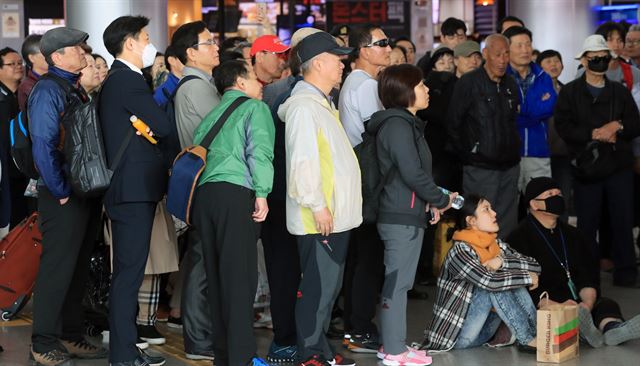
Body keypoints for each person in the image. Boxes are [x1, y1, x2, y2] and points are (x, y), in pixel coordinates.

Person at [278, 31, 360, 366]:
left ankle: (320, 350)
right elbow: (304, 163)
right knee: (316, 289)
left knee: (327, 289)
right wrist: (318, 205)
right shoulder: (303, 108)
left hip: (333, 214)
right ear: (319, 63)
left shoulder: (321, 103)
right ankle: (310, 354)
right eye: (338, 59)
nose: (343, 65)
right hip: (320, 217)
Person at [28, 27, 108, 366]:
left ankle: (70, 335)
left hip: (81, 192)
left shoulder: (74, 88)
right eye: (77, 47)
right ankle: (43, 340)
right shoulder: (48, 90)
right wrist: (61, 192)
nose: (84, 51)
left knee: (77, 269)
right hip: (62, 194)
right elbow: (43, 146)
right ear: (57, 56)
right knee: (57, 269)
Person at [369, 63, 455, 364]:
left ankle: (394, 344)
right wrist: (439, 198)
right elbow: (412, 173)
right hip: (398, 216)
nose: (427, 90)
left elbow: (415, 175)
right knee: (397, 282)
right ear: (405, 91)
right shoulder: (397, 126)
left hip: (407, 212)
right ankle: (394, 350)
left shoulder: (407, 124)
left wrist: (430, 201)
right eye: (421, 85)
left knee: (400, 281)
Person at [191, 59, 274, 366]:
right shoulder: (255, 109)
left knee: (216, 277)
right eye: (253, 77)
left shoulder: (210, 116)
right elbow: (260, 152)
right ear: (240, 82)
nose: (259, 84)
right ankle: (243, 357)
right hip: (236, 193)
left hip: (206, 197)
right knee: (240, 279)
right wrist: (262, 194)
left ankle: (224, 356)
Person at [100, 15, 172, 366]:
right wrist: (151, 126)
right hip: (131, 190)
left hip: (129, 189)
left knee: (127, 273)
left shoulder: (120, 80)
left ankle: (124, 353)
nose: (149, 44)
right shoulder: (127, 81)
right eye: (145, 38)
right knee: (128, 275)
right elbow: (163, 126)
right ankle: (124, 355)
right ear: (129, 43)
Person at [509, 177, 640, 348]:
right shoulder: (518, 238)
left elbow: (588, 274)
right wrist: (559, 306)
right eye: (550, 194)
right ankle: (583, 329)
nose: (557, 197)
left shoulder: (573, 234)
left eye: (559, 194)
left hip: (576, 302)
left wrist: (587, 303)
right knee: (548, 314)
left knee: (606, 304)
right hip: (545, 303)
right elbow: (521, 286)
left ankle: (611, 328)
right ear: (534, 204)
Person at [554, 34, 640, 288]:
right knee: (587, 225)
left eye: (603, 58)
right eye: (594, 58)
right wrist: (593, 133)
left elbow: (636, 123)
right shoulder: (570, 92)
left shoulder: (619, 92)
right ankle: (586, 277)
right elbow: (563, 126)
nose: (599, 62)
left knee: (623, 221)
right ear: (583, 60)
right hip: (586, 168)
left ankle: (626, 272)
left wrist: (618, 125)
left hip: (619, 167)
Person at [260, 26, 321, 364]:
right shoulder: (303, 95)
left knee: (283, 268)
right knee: (299, 268)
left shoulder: (272, 92)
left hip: (277, 190)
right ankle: (296, 338)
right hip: (296, 192)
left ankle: (288, 337)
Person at [420, 195, 541, 352]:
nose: (494, 213)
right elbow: (490, 281)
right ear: (472, 221)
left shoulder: (495, 245)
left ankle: (536, 332)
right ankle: (527, 339)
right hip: (456, 337)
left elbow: (535, 265)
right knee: (495, 283)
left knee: (508, 278)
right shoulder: (460, 251)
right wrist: (526, 277)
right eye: (486, 209)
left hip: (484, 331)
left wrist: (502, 261)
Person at [171, 20, 221, 361]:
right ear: (191, 52)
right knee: (203, 265)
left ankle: (201, 335)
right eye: (208, 42)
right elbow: (224, 134)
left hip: (205, 184)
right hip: (207, 184)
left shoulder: (202, 83)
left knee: (203, 262)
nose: (216, 46)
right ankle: (199, 339)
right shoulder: (197, 87)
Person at [338, 23, 390, 353]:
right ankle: (360, 327)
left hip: (357, 178)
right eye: (382, 43)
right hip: (368, 179)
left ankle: (352, 324)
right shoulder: (366, 85)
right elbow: (381, 134)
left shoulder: (355, 82)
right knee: (368, 258)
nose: (388, 47)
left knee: (359, 256)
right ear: (364, 50)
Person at [447, 34, 521, 236]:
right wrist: (469, 153)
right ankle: (478, 266)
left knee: (506, 224)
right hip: (479, 167)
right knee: (478, 222)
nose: (503, 59)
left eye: (506, 54)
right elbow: (453, 123)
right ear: (485, 54)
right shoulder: (469, 83)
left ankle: (502, 265)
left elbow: (514, 120)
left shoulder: (511, 84)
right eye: (498, 54)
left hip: (509, 166)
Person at [503, 26, 557, 192]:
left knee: (541, 203)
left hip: (538, 150)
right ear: (507, 49)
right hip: (508, 153)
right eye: (519, 45)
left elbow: (548, 108)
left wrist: (520, 109)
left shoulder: (543, 76)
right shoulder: (501, 77)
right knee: (508, 206)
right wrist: (533, 110)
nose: (525, 50)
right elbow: (504, 112)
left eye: (528, 44)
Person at [537, 50, 571, 220]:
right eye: (548, 61)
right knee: (542, 199)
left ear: (563, 65)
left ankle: (562, 236)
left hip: (563, 155)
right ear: (539, 67)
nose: (553, 65)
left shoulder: (568, 91)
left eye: (556, 61)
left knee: (562, 198)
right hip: (541, 154)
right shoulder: (535, 92)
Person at [0, 47, 26, 229]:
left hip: (22, 173)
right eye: (12, 64)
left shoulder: (22, 96)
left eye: (20, 63)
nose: (18, 67)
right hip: (7, 174)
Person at [18, 34, 47, 112]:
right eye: (46, 53)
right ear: (32, 58)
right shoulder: (28, 86)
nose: (52, 56)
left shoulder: (52, 78)